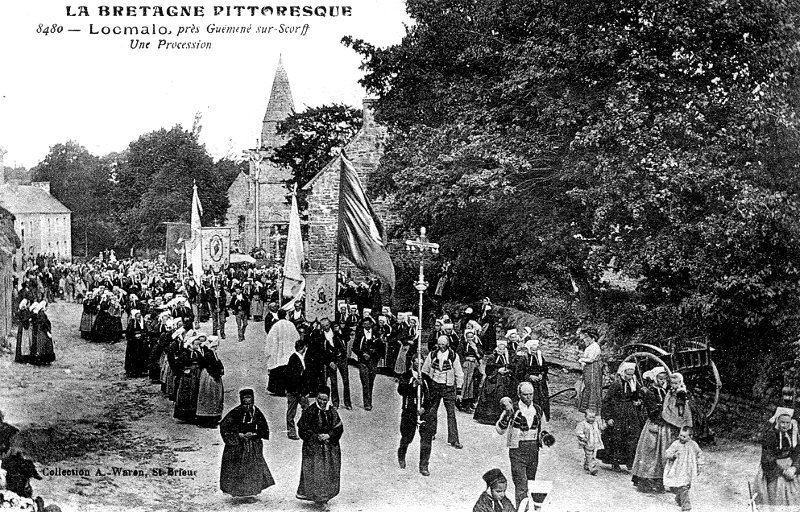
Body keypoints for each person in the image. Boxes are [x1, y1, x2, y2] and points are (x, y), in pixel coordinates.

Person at [495, 381, 556, 508]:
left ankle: (527, 509)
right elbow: (500, 430)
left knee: (530, 483)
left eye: (531, 394)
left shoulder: (538, 410)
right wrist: (507, 415)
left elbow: (543, 428)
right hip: (517, 450)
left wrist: (546, 438)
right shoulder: (513, 409)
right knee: (521, 485)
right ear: (519, 394)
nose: (528, 397)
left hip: (533, 450)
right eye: (525, 394)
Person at [219, 389, 275, 498]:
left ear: (252, 398)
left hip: (252, 446)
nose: (247, 401)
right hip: (238, 446)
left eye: (249, 398)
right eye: (244, 398)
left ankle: (251, 493)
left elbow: (263, 429)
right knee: (237, 468)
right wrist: (238, 435)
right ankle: (238, 491)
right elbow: (224, 426)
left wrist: (254, 434)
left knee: (252, 469)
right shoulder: (235, 412)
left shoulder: (256, 412)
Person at [296, 386, 344, 509]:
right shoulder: (310, 411)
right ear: (317, 398)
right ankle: (320, 499)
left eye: (325, 399)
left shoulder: (332, 411)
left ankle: (324, 498)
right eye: (320, 399)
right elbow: (302, 430)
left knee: (328, 473)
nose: (322, 402)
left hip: (329, 448)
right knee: (316, 473)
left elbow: (339, 428)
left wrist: (329, 435)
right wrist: (316, 437)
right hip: (314, 449)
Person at [598, 361, 645, 472]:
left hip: (630, 413)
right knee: (616, 437)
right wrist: (608, 417)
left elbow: (640, 396)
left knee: (631, 436)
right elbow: (607, 400)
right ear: (623, 373)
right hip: (618, 412)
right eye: (628, 374)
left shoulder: (634, 383)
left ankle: (629, 461)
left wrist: (639, 402)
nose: (630, 376)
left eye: (632, 374)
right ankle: (615, 462)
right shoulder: (616, 384)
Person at [421, 334, 464, 449]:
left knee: (451, 414)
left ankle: (454, 440)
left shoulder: (453, 356)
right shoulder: (433, 354)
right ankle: (431, 433)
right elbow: (425, 369)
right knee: (432, 411)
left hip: (448, 387)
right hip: (434, 385)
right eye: (439, 344)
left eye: (443, 345)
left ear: (448, 344)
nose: (441, 347)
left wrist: (459, 391)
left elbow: (459, 373)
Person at [631, 366, 671, 492]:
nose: (662, 381)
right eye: (660, 378)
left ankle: (659, 481)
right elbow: (652, 410)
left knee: (661, 454)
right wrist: (663, 416)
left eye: (664, 379)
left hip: (664, 425)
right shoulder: (650, 392)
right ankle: (645, 481)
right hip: (655, 424)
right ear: (654, 378)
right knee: (649, 451)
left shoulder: (665, 391)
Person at [754, 406, 800, 508]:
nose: (785, 425)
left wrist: (794, 468)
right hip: (774, 470)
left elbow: (797, 452)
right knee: (774, 498)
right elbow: (767, 459)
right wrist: (783, 471)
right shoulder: (770, 435)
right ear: (777, 421)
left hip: (790, 469)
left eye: (788, 423)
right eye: (782, 422)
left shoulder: (792, 435)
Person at [396, 358, 434, 474]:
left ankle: (424, 465)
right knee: (407, 437)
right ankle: (402, 454)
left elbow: (432, 395)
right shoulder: (405, 376)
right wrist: (413, 385)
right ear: (412, 362)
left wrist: (424, 407)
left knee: (426, 439)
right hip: (409, 411)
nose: (419, 365)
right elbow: (401, 390)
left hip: (423, 412)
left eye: (421, 363)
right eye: (417, 363)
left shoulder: (426, 378)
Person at [474, 339, 517, 425]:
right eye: (500, 349)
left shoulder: (508, 357)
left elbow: (512, 367)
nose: (501, 351)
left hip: (505, 380)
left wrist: (507, 370)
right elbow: (488, 370)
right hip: (493, 380)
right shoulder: (492, 357)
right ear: (497, 349)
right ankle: (491, 418)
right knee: (494, 394)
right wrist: (498, 371)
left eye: (503, 349)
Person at [663, 426, 703, 511]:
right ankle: (686, 505)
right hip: (678, 470)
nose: (681, 438)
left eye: (684, 436)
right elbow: (667, 453)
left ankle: (679, 498)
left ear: (690, 437)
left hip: (689, 469)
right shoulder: (676, 444)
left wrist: (699, 465)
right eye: (680, 435)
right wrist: (673, 455)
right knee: (680, 486)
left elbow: (699, 454)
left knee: (686, 486)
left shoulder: (693, 445)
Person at [265, 310, 301, 396]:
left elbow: (270, 339)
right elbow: (297, 337)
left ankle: (279, 391)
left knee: (278, 371)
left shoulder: (275, 326)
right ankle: (288, 390)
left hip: (278, 352)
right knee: (288, 371)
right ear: (285, 315)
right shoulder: (291, 325)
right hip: (289, 351)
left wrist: (268, 352)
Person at [352, 316, 384, 411]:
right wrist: (362, 354)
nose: (366, 325)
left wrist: (375, 354)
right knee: (365, 381)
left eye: (368, 323)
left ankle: (369, 399)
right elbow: (354, 348)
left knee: (371, 381)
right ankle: (367, 403)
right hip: (363, 361)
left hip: (373, 361)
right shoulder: (359, 335)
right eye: (364, 324)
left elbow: (381, 347)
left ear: (371, 324)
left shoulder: (376, 334)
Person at [515, 338, 550, 421]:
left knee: (542, 399)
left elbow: (545, 368)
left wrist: (541, 374)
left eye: (535, 350)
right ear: (529, 349)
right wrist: (529, 376)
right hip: (528, 383)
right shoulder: (524, 358)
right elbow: (518, 373)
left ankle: (541, 416)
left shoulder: (540, 357)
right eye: (532, 351)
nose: (534, 352)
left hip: (540, 383)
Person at [173, 333, 203, 423]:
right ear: (191, 344)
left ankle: (193, 415)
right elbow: (178, 364)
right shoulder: (185, 353)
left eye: (198, 344)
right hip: (187, 378)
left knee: (194, 395)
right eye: (196, 344)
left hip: (195, 376)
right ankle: (184, 416)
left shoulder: (197, 353)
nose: (198, 346)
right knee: (186, 395)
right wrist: (184, 370)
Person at [196, 336, 225, 427]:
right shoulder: (209, 354)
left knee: (214, 397)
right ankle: (207, 420)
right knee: (209, 396)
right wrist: (217, 373)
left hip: (212, 375)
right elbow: (210, 367)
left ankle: (214, 417)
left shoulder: (212, 353)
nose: (217, 347)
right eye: (216, 345)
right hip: (209, 376)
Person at [286, 339, 311, 440]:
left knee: (306, 408)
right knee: (291, 412)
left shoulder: (298, 357)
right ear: (304, 347)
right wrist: (300, 391)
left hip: (298, 390)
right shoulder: (295, 359)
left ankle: (303, 428)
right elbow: (295, 378)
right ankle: (291, 432)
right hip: (295, 391)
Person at [577, 327, 603, 416]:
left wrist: (581, 359)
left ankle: (592, 408)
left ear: (593, 338)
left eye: (588, 338)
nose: (586, 340)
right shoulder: (590, 346)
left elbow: (591, 359)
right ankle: (585, 407)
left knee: (592, 385)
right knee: (588, 385)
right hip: (589, 368)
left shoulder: (595, 346)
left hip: (592, 368)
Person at [457, 327, 483, 413]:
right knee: (465, 383)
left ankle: (470, 402)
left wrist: (475, 349)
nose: (470, 339)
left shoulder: (476, 344)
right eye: (468, 337)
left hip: (474, 366)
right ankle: (462, 402)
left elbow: (480, 355)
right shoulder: (462, 345)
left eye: (471, 337)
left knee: (473, 384)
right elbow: (459, 355)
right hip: (465, 366)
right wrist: (465, 359)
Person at [574, 408, 604, 475]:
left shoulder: (596, 423)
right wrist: (583, 437)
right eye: (590, 417)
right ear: (585, 417)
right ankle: (592, 468)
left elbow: (601, 428)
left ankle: (587, 465)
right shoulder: (582, 424)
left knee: (591, 453)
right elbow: (578, 432)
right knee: (589, 454)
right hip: (586, 442)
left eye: (593, 417)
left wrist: (605, 425)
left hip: (593, 442)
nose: (592, 419)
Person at [28, 302, 55, 366]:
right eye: (46, 306)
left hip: (40, 330)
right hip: (42, 331)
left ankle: (41, 359)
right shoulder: (42, 314)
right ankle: (44, 359)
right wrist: (47, 332)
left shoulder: (40, 313)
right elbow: (43, 323)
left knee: (41, 344)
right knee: (45, 344)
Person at [124, 309, 148, 377]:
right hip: (133, 343)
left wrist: (142, 335)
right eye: (137, 317)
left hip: (140, 342)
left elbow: (145, 330)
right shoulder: (132, 323)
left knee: (141, 356)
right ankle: (132, 371)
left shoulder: (142, 323)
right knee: (133, 356)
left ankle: (140, 370)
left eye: (140, 317)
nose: (139, 318)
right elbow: (128, 333)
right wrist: (134, 336)